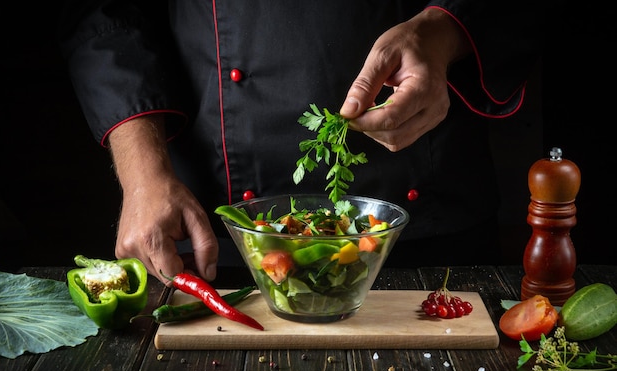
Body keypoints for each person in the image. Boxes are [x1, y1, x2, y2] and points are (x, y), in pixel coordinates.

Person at [58, 1, 543, 286]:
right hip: (216, 237)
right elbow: (103, 12)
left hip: (429, 231)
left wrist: (444, 30)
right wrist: (142, 173)